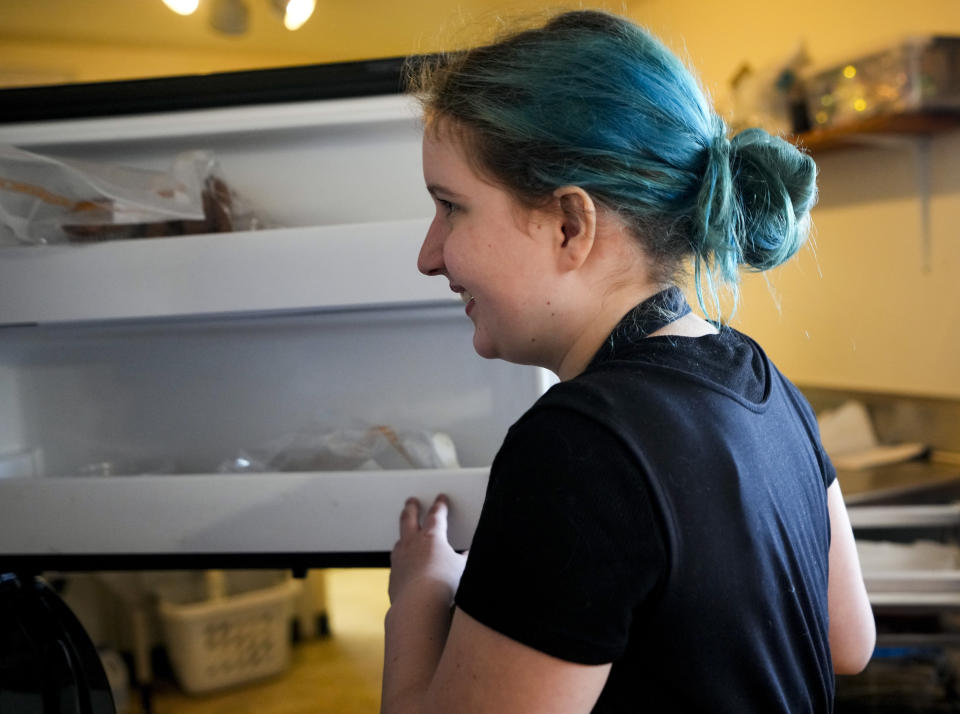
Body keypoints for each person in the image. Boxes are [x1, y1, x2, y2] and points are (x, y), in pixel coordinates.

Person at [381, 10, 875, 713]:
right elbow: (846, 642)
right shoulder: (762, 380)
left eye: (451, 207)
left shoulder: (579, 449)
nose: (430, 255)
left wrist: (419, 599)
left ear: (569, 226)